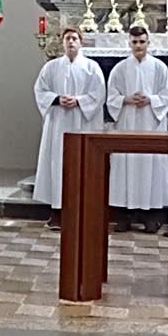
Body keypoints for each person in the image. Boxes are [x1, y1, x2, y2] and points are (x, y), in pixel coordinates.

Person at [103, 27, 168, 234]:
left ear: (148, 43)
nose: (138, 46)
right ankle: (123, 215)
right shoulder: (120, 69)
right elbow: (111, 97)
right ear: (129, 43)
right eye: (134, 42)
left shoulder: (159, 67)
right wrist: (126, 99)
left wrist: (150, 99)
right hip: (127, 121)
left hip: (151, 122)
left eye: (142, 42)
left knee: (149, 165)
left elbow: (166, 95)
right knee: (125, 164)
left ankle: (151, 215)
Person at [31, 27, 104, 222]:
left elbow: (99, 94)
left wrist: (79, 101)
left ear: (81, 42)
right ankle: (57, 211)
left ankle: (81, 212)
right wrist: (56, 99)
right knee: (57, 163)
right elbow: (40, 90)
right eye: (67, 39)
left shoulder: (92, 67)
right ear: (62, 42)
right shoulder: (51, 67)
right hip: (58, 123)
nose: (71, 42)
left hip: (81, 122)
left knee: (81, 165)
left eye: (74, 38)